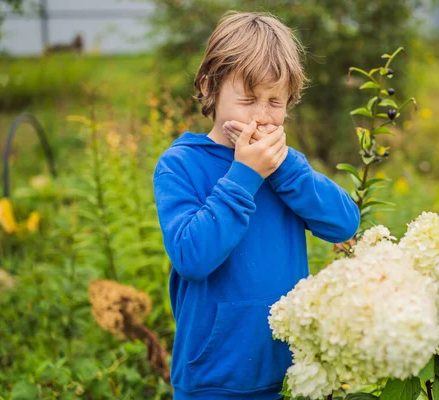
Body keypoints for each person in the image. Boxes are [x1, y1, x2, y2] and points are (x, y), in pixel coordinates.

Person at [152, 11, 360, 400]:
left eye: (275, 102)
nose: (262, 116)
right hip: (212, 378)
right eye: (247, 99)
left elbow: (344, 223)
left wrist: (284, 171)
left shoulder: (285, 165)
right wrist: (245, 174)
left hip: (289, 372)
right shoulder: (181, 164)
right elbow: (192, 257)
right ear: (208, 87)